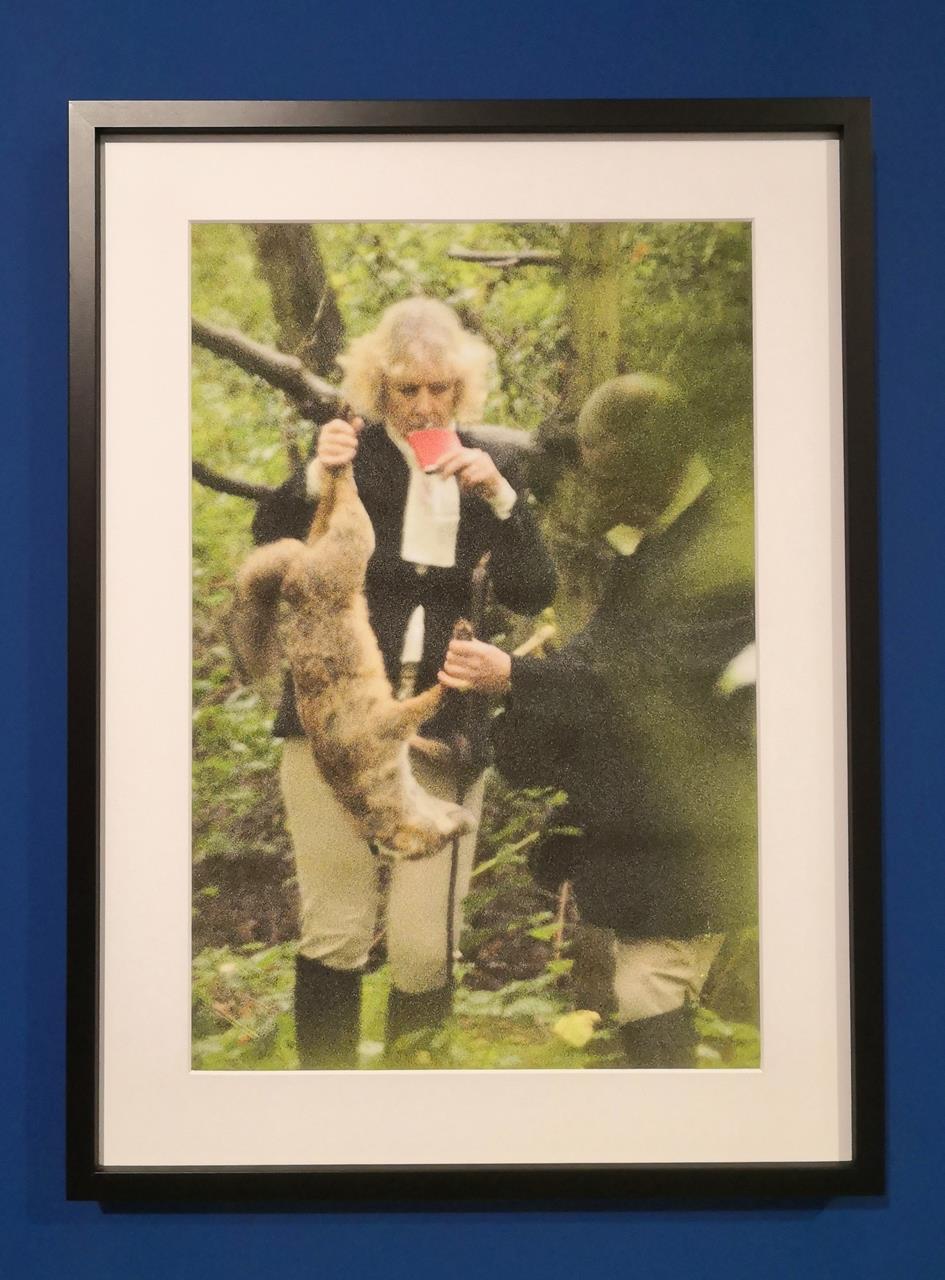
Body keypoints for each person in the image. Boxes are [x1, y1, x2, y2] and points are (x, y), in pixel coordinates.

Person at [250, 297, 557, 1069]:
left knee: (425, 947)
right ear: (377, 387)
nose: (423, 406)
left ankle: (415, 1111)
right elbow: (271, 547)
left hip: (443, 729)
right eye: (405, 389)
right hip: (334, 720)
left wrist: (502, 499)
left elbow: (533, 593)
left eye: (438, 389)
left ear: (461, 389)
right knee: (337, 930)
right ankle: (326, 1111)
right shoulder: (350, 454)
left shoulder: (486, 466)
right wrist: (315, 473)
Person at [439, 374, 757, 1068]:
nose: (601, 493)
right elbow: (600, 653)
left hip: (699, 812)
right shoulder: (661, 537)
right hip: (650, 813)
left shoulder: (725, 545)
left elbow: (654, 684)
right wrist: (517, 702)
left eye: (611, 475)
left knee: (651, 985)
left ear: (660, 460)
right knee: (644, 986)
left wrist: (516, 675)